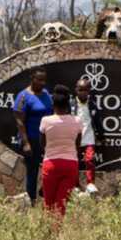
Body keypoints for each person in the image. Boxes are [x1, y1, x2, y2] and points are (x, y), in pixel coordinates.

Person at [37, 84, 83, 218]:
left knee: (48, 203)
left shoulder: (46, 121)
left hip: (50, 164)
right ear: (68, 103)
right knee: (61, 204)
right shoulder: (77, 121)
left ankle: (48, 234)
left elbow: (42, 144)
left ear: (53, 103)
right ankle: (57, 234)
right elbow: (78, 145)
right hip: (70, 165)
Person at [13, 68, 52, 206]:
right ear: (32, 78)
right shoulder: (23, 96)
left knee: (51, 168)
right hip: (32, 138)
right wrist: (26, 142)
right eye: (39, 80)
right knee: (33, 170)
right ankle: (31, 200)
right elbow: (19, 120)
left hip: (47, 139)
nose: (42, 83)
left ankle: (44, 192)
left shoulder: (46, 94)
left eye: (44, 80)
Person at [73, 77, 100, 194]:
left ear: (89, 91)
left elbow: (98, 121)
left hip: (89, 137)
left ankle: (90, 183)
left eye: (85, 90)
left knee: (90, 160)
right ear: (76, 90)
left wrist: (101, 135)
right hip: (74, 138)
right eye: (80, 90)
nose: (82, 93)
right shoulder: (71, 104)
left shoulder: (92, 104)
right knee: (74, 161)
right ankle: (75, 184)